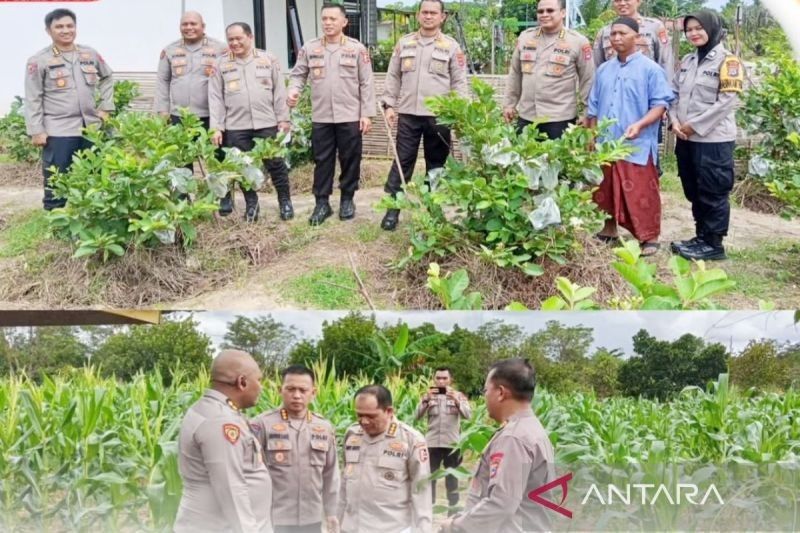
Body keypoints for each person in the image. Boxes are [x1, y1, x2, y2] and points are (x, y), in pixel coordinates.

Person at [587, 17, 674, 256]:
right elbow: (592, 107)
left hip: (636, 144)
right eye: (612, 34)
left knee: (641, 193)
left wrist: (640, 124)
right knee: (605, 189)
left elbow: (660, 105)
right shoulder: (604, 69)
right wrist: (591, 135)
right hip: (607, 143)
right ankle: (609, 230)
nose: (616, 38)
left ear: (636, 37)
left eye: (622, 33)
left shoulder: (650, 69)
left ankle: (649, 237)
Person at [379, 0, 468, 231]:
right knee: (402, 161)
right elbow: (393, 76)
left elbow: (459, 83)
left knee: (436, 164)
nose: (428, 16)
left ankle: (433, 209)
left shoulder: (451, 47)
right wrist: (388, 105)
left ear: (442, 17)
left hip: (439, 117)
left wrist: (461, 114)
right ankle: (392, 209)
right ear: (418, 15)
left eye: (433, 13)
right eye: (424, 12)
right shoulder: (404, 43)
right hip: (408, 114)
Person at [439, 359, 555, 533]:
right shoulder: (533, 429)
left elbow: (501, 504)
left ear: (500, 393)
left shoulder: (514, 438)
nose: (484, 396)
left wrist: (455, 526)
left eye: (486, 390)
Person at [288, 3, 376, 226]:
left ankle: (347, 199)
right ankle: (322, 202)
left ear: (344, 22)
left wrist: (367, 114)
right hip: (322, 116)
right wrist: (293, 90)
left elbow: (367, 83)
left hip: (350, 115)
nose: (327, 23)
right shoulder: (310, 48)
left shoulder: (357, 49)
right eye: (324, 19)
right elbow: (298, 75)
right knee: (322, 160)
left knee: (350, 159)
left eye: (332, 19)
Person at [669, 10, 743, 261]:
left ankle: (713, 244)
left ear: (712, 29)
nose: (693, 33)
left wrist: (693, 126)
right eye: (689, 29)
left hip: (713, 140)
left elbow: (726, 103)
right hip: (685, 138)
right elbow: (674, 94)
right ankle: (701, 237)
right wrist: (675, 121)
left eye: (699, 28)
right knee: (693, 188)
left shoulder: (728, 62)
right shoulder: (688, 60)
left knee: (713, 190)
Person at [24, 8, 114, 210]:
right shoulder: (39, 60)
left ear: (75, 28)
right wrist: (36, 130)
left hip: (90, 128)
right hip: (59, 130)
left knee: (93, 176)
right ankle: (56, 222)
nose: (65, 30)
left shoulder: (89, 54)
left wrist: (106, 106)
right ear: (49, 31)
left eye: (69, 26)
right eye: (59, 27)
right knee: (57, 178)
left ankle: (90, 216)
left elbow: (107, 77)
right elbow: (33, 97)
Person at [174, 349, 273, 533]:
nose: (262, 387)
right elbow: (231, 489)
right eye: (259, 380)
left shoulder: (214, 410)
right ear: (242, 382)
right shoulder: (220, 421)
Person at [208, 22, 293, 222]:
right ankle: (252, 206)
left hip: (266, 123)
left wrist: (283, 118)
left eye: (239, 38)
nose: (235, 43)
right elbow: (215, 98)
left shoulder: (268, 59)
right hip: (236, 126)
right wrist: (216, 128)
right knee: (243, 167)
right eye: (231, 39)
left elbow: (279, 92)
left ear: (250, 37)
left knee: (276, 164)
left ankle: (285, 201)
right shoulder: (220, 64)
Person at [250, 365, 340, 533]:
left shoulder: (324, 427)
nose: (297, 395)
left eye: (303, 390)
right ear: (280, 390)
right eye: (290, 389)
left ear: (313, 393)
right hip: (274, 518)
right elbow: (249, 472)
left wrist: (332, 512)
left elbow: (330, 474)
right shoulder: (261, 424)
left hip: (312, 518)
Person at [339, 385, 432, 533]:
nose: (364, 422)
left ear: (389, 411)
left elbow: (421, 491)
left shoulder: (410, 439)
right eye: (359, 415)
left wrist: (423, 529)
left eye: (371, 416)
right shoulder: (352, 435)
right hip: (351, 527)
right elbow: (345, 482)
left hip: (391, 528)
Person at [503, 0, 594, 139]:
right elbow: (515, 73)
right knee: (524, 159)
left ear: (563, 13)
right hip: (527, 116)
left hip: (559, 120)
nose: (544, 15)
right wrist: (509, 104)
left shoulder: (578, 42)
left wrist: (587, 112)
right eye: (540, 11)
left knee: (557, 160)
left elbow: (588, 79)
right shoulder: (525, 37)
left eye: (550, 11)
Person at [155, 11, 227, 184]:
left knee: (217, 157)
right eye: (185, 24)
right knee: (181, 159)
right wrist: (162, 110)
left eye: (193, 24)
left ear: (203, 26)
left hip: (211, 116)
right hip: (180, 117)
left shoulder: (220, 49)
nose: (189, 28)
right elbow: (162, 81)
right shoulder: (170, 50)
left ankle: (222, 197)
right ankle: (183, 199)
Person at [415, 367, 471, 515]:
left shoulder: (459, 395)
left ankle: (452, 510)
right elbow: (416, 416)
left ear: (450, 380)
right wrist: (425, 400)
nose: (441, 381)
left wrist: (457, 401)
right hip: (432, 443)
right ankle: (429, 508)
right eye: (438, 378)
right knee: (430, 476)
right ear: (434, 379)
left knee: (452, 476)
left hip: (452, 444)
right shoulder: (428, 396)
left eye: (444, 378)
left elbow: (468, 415)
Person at [593, 0, 674, 84]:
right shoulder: (604, 32)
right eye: (617, 0)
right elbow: (597, 67)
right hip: (613, 90)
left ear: (639, 1)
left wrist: (667, 92)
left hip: (646, 89)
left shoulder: (654, 27)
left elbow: (666, 63)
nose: (622, 3)